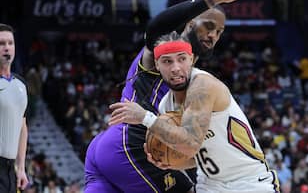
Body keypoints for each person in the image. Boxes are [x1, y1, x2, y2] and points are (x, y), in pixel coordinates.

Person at [84, 0, 252, 193]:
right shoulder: (165, 51)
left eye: (219, 31)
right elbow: (156, 28)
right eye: (208, 26)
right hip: (131, 145)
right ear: (189, 23)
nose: (213, 35)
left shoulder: (191, 75)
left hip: (111, 146)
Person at [108, 32, 281, 193]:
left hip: (249, 183)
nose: (175, 68)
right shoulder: (165, 106)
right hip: (209, 185)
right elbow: (194, 156)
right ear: (157, 66)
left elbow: (190, 143)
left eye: (181, 59)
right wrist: (168, 162)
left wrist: (144, 117)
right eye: (167, 61)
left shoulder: (203, 86)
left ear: (191, 60)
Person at [0, 23, 29, 193]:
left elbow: (22, 127)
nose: (7, 48)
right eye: (1, 43)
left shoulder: (21, 85)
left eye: (10, 43)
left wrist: (21, 167)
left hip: (10, 170)